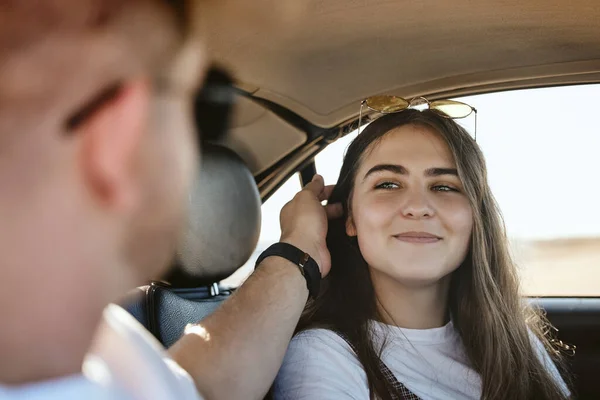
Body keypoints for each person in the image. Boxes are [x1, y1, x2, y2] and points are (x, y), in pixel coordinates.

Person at [0, 1, 339, 399]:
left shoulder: (97, 345)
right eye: (200, 110)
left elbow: (196, 389)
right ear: (122, 139)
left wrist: (299, 252)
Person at [273, 108, 571, 400]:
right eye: (388, 184)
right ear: (351, 217)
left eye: (444, 186)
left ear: (475, 219)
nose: (418, 206)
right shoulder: (322, 355)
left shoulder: (516, 342)